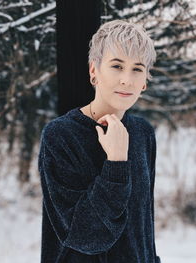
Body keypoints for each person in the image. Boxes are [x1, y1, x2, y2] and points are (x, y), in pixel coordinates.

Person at [38, 19, 160, 263]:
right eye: (117, 66)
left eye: (137, 69)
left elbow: (144, 225)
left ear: (145, 80)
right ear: (94, 70)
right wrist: (116, 163)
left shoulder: (143, 133)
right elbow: (85, 237)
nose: (127, 79)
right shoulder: (60, 136)